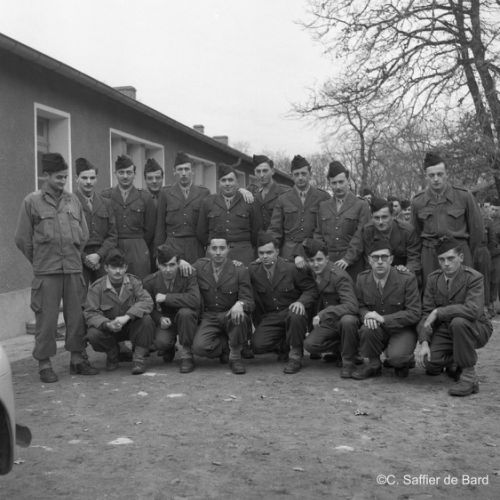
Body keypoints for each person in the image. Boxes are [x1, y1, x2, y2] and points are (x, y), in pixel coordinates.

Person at [14, 152, 99, 382]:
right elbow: (22, 239)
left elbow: (83, 234)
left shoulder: (73, 201)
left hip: (72, 269)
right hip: (47, 272)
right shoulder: (32, 201)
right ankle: (44, 364)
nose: (63, 181)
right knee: (46, 320)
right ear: (46, 175)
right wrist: (40, 260)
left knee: (76, 317)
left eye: (65, 177)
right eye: (58, 177)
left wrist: (73, 255)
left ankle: (77, 360)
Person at [415, 237, 492, 396]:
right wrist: (424, 342)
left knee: (458, 322)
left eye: (451, 258)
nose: (446, 263)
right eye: (442, 259)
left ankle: (469, 378)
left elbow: (473, 311)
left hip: (475, 328)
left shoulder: (474, 277)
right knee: (430, 362)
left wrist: (439, 312)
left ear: (461, 257)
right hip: (446, 330)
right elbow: (426, 313)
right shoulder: (433, 279)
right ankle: (456, 361)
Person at [248, 233, 318, 374]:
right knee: (257, 346)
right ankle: (283, 344)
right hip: (271, 317)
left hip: (291, 313)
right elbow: (238, 277)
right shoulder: (253, 270)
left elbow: (311, 289)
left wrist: (301, 302)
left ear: (277, 251)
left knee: (296, 314)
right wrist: (235, 265)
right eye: (261, 253)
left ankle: (295, 356)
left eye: (269, 252)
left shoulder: (291, 269)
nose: (265, 256)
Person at [351, 240, 421, 380]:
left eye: (384, 257)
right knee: (367, 328)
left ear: (391, 259)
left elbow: (414, 312)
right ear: (369, 260)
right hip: (377, 328)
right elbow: (359, 305)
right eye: (375, 257)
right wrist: (367, 315)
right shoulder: (362, 279)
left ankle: (403, 362)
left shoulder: (407, 279)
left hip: (401, 329)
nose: (380, 261)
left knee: (397, 358)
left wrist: (383, 319)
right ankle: (374, 365)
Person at [411, 151, 483, 287]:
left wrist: (467, 255)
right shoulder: (418, 201)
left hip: (458, 253)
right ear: (426, 177)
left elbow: (477, 232)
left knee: (461, 291)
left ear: (446, 174)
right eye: (431, 175)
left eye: (440, 174)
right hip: (430, 256)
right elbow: (414, 237)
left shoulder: (464, 196)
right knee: (433, 291)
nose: (436, 179)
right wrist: (416, 264)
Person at [84, 249, 155, 375]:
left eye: (121, 267)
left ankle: (139, 358)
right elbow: (90, 313)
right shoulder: (97, 287)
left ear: (126, 267)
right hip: (109, 329)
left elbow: (147, 301)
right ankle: (113, 354)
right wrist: (107, 324)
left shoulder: (134, 282)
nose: (118, 271)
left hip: (131, 326)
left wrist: (127, 316)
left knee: (147, 320)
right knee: (93, 333)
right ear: (106, 268)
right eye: (113, 267)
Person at [192, 238, 255, 374]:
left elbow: (249, 300)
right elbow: (180, 269)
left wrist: (240, 303)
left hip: (230, 315)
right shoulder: (200, 267)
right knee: (199, 348)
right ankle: (226, 347)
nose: (218, 252)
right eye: (214, 248)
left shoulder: (239, 270)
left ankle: (235, 357)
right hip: (209, 316)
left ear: (228, 249)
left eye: (222, 248)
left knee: (239, 316)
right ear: (208, 250)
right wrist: (181, 262)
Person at [301, 239, 359, 378]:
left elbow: (352, 306)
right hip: (330, 322)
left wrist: (323, 313)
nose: (316, 264)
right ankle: (341, 349)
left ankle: (349, 362)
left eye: (319, 259)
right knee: (310, 345)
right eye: (311, 261)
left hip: (344, 318)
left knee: (348, 321)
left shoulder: (339, 276)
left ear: (327, 258)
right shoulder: (312, 271)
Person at [143, 244, 200, 373]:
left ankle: (187, 355)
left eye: (172, 265)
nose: (168, 270)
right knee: (160, 343)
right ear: (157, 264)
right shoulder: (149, 282)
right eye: (164, 265)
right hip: (167, 320)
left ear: (178, 263)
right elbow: (148, 307)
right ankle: (169, 347)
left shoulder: (188, 276)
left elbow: (195, 300)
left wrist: (167, 298)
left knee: (185, 313)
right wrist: (159, 319)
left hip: (186, 319)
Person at [101, 155, 156, 279]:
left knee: (139, 282)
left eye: (129, 172)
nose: (125, 176)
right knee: (114, 282)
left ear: (134, 174)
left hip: (138, 248)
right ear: (115, 173)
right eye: (121, 172)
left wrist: (138, 244)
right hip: (113, 247)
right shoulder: (106, 195)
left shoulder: (145, 197)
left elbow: (150, 229)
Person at [197, 163, 262, 266]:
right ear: (218, 183)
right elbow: (201, 232)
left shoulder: (249, 201)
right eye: (223, 180)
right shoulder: (208, 202)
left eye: (230, 180)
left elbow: (256, 232)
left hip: (243, 254)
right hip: (216, 254)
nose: (227, 183)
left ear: (237, 182)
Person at [269, 154, 330, 263]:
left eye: (303, 173)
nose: (300, 177)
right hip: (289, 254)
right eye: (296, 174)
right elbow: (275, 229)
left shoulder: (323, 197)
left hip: (313, 253)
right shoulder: (283, 199)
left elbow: (326, 229)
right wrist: (269, 249)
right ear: (291, 176)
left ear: (310, 174)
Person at [315, 161, 371, 281]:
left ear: (348, 180)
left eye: (341, 182)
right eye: (334, 183)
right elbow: (318, 234)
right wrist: (322, 258)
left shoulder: (361, 205)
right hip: (328, 264)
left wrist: (348, 259)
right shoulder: (323, 206)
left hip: (353, 265)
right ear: (329, 183)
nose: (338, 187)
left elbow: (361, 236)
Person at [154, 152, 210, 264]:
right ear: (174, 171)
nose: (183, 173)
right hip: (172, 245)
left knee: (196, 273)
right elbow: (160, 227)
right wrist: (159, 253)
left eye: (186, 169)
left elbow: (208, 224)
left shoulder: (203, 193)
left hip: (195, 247)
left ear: (192, 171)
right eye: (180, 169)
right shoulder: (165, 193)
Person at [342, 198, 421, 276]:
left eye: (384, 217)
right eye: (376, 218)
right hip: (378, 274)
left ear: (392, 216)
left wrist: (407, 269)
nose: (380, 222)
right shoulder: (368, 231)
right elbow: (369, 261)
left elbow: (414, 258)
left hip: (402, 273)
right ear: (372, 217)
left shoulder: (407, 231)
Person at [74, 157, 118, 286]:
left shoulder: (106, 203)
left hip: (102, 258)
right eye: (84, 178)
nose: (89, 182)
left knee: (105, 294)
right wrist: (84, 258)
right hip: (78, 258)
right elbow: (67, 237)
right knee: (79, 295)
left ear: (96, 179)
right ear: (77, 178)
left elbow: (113, 236)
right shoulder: (69, 202)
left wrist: (98, 255)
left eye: (92, 178)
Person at [247, 154, 290, 230]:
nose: (261, 175)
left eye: (265, 171)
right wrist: (241, 190)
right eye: (258, 171)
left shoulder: (285, 192)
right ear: (254, 173)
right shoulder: (252, 193)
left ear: (272, 171)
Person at [488, 199, 500, 314]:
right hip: (484, 254)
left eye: (497, 210)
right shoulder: (484, 220)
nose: (494, 212)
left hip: (496, 255)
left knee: (495, 280)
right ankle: (488, 305)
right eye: (492, 209)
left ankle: (492, 304)